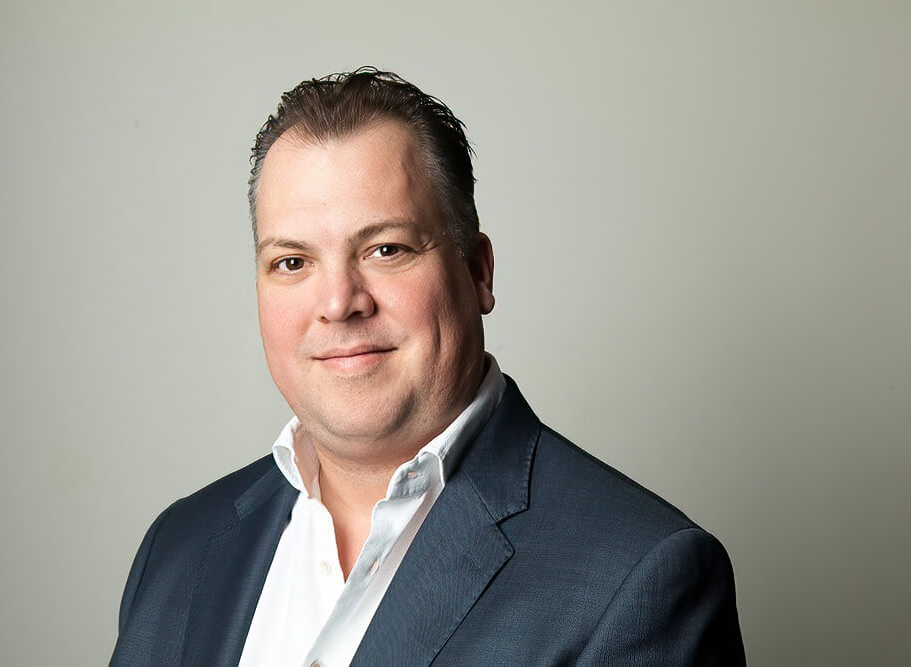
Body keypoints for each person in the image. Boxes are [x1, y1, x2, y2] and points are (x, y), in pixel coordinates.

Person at [110, 68, 746, 666]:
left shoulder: (637, 580)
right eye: (292, 262)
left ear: (478, 272)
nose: (338, 304)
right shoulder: (180, 546)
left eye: (386, 249)